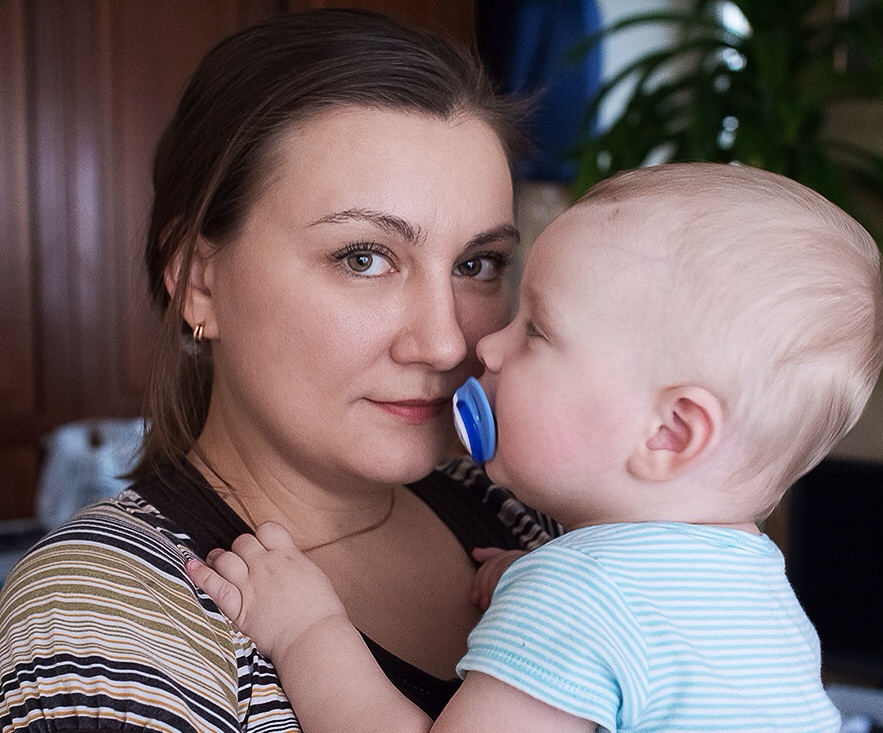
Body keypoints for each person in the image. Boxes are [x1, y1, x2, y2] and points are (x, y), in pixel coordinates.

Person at [0, 8, 558, 731]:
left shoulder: (528, 520)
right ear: (200, 282)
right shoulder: (103, 617)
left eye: (477, 264)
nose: (447, 344)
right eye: (363, 258)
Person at [189, 162, 883, 732]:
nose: (483, 346)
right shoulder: (761, 598)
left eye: (538, 332)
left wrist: (308, 630)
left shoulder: (578, 594)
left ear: (670, 433)